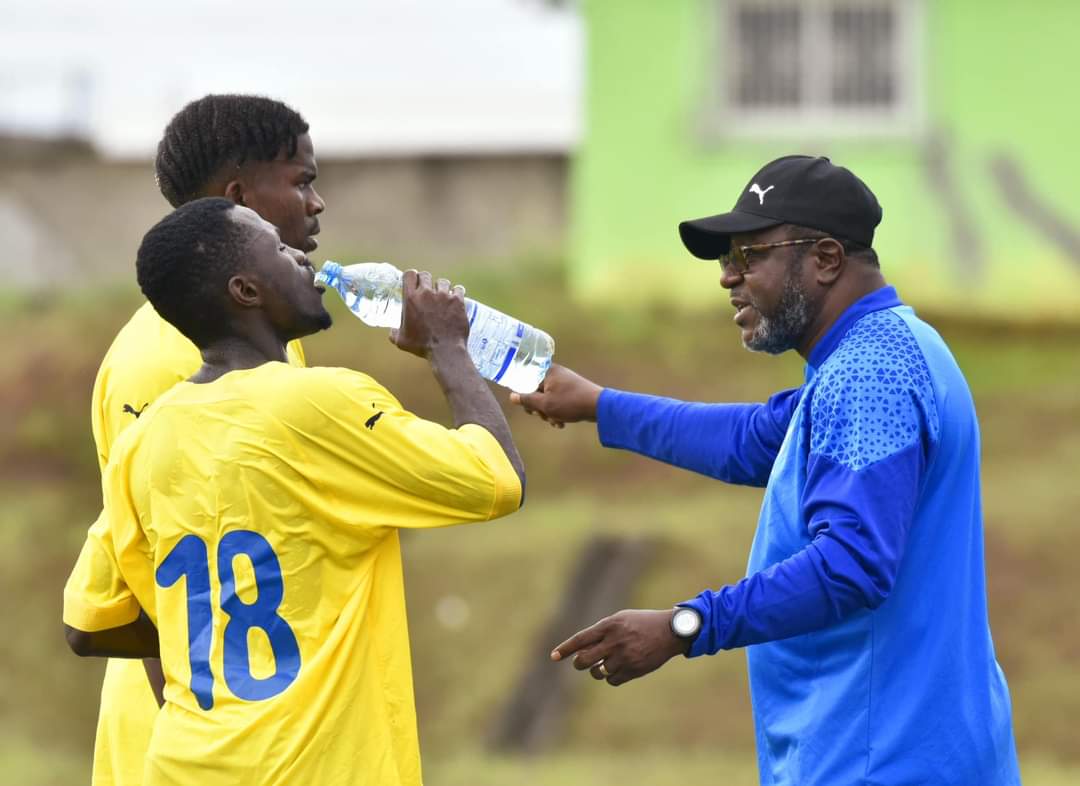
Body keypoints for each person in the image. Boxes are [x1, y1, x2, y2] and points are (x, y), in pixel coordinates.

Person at [513, 156, 1021, 785]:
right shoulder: (881, 352)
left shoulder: (871, 374)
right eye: (728, 257)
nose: (728, 276)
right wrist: (599, 405)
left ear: (826, 259)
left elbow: (852, 566)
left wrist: (684, 626)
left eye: (750, 254)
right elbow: (756, 440)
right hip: (907, 752)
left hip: (879, 759)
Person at [63, 197, 524, 785]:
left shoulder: (145, 438)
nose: (304, 259)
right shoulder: (318, 402)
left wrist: (203, 658)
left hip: (186, 766)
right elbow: (496, 481)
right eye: (278, 249)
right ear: (246, 291)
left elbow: (89, 625)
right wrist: (449, 347)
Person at [79, 93, 323, 786]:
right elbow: (159, 571)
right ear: (240, 199)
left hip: (261, 725)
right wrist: (210, 747)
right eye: (301, 181)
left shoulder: (257, 333)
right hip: (199, 745)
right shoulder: (167, 357)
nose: (318, 203)